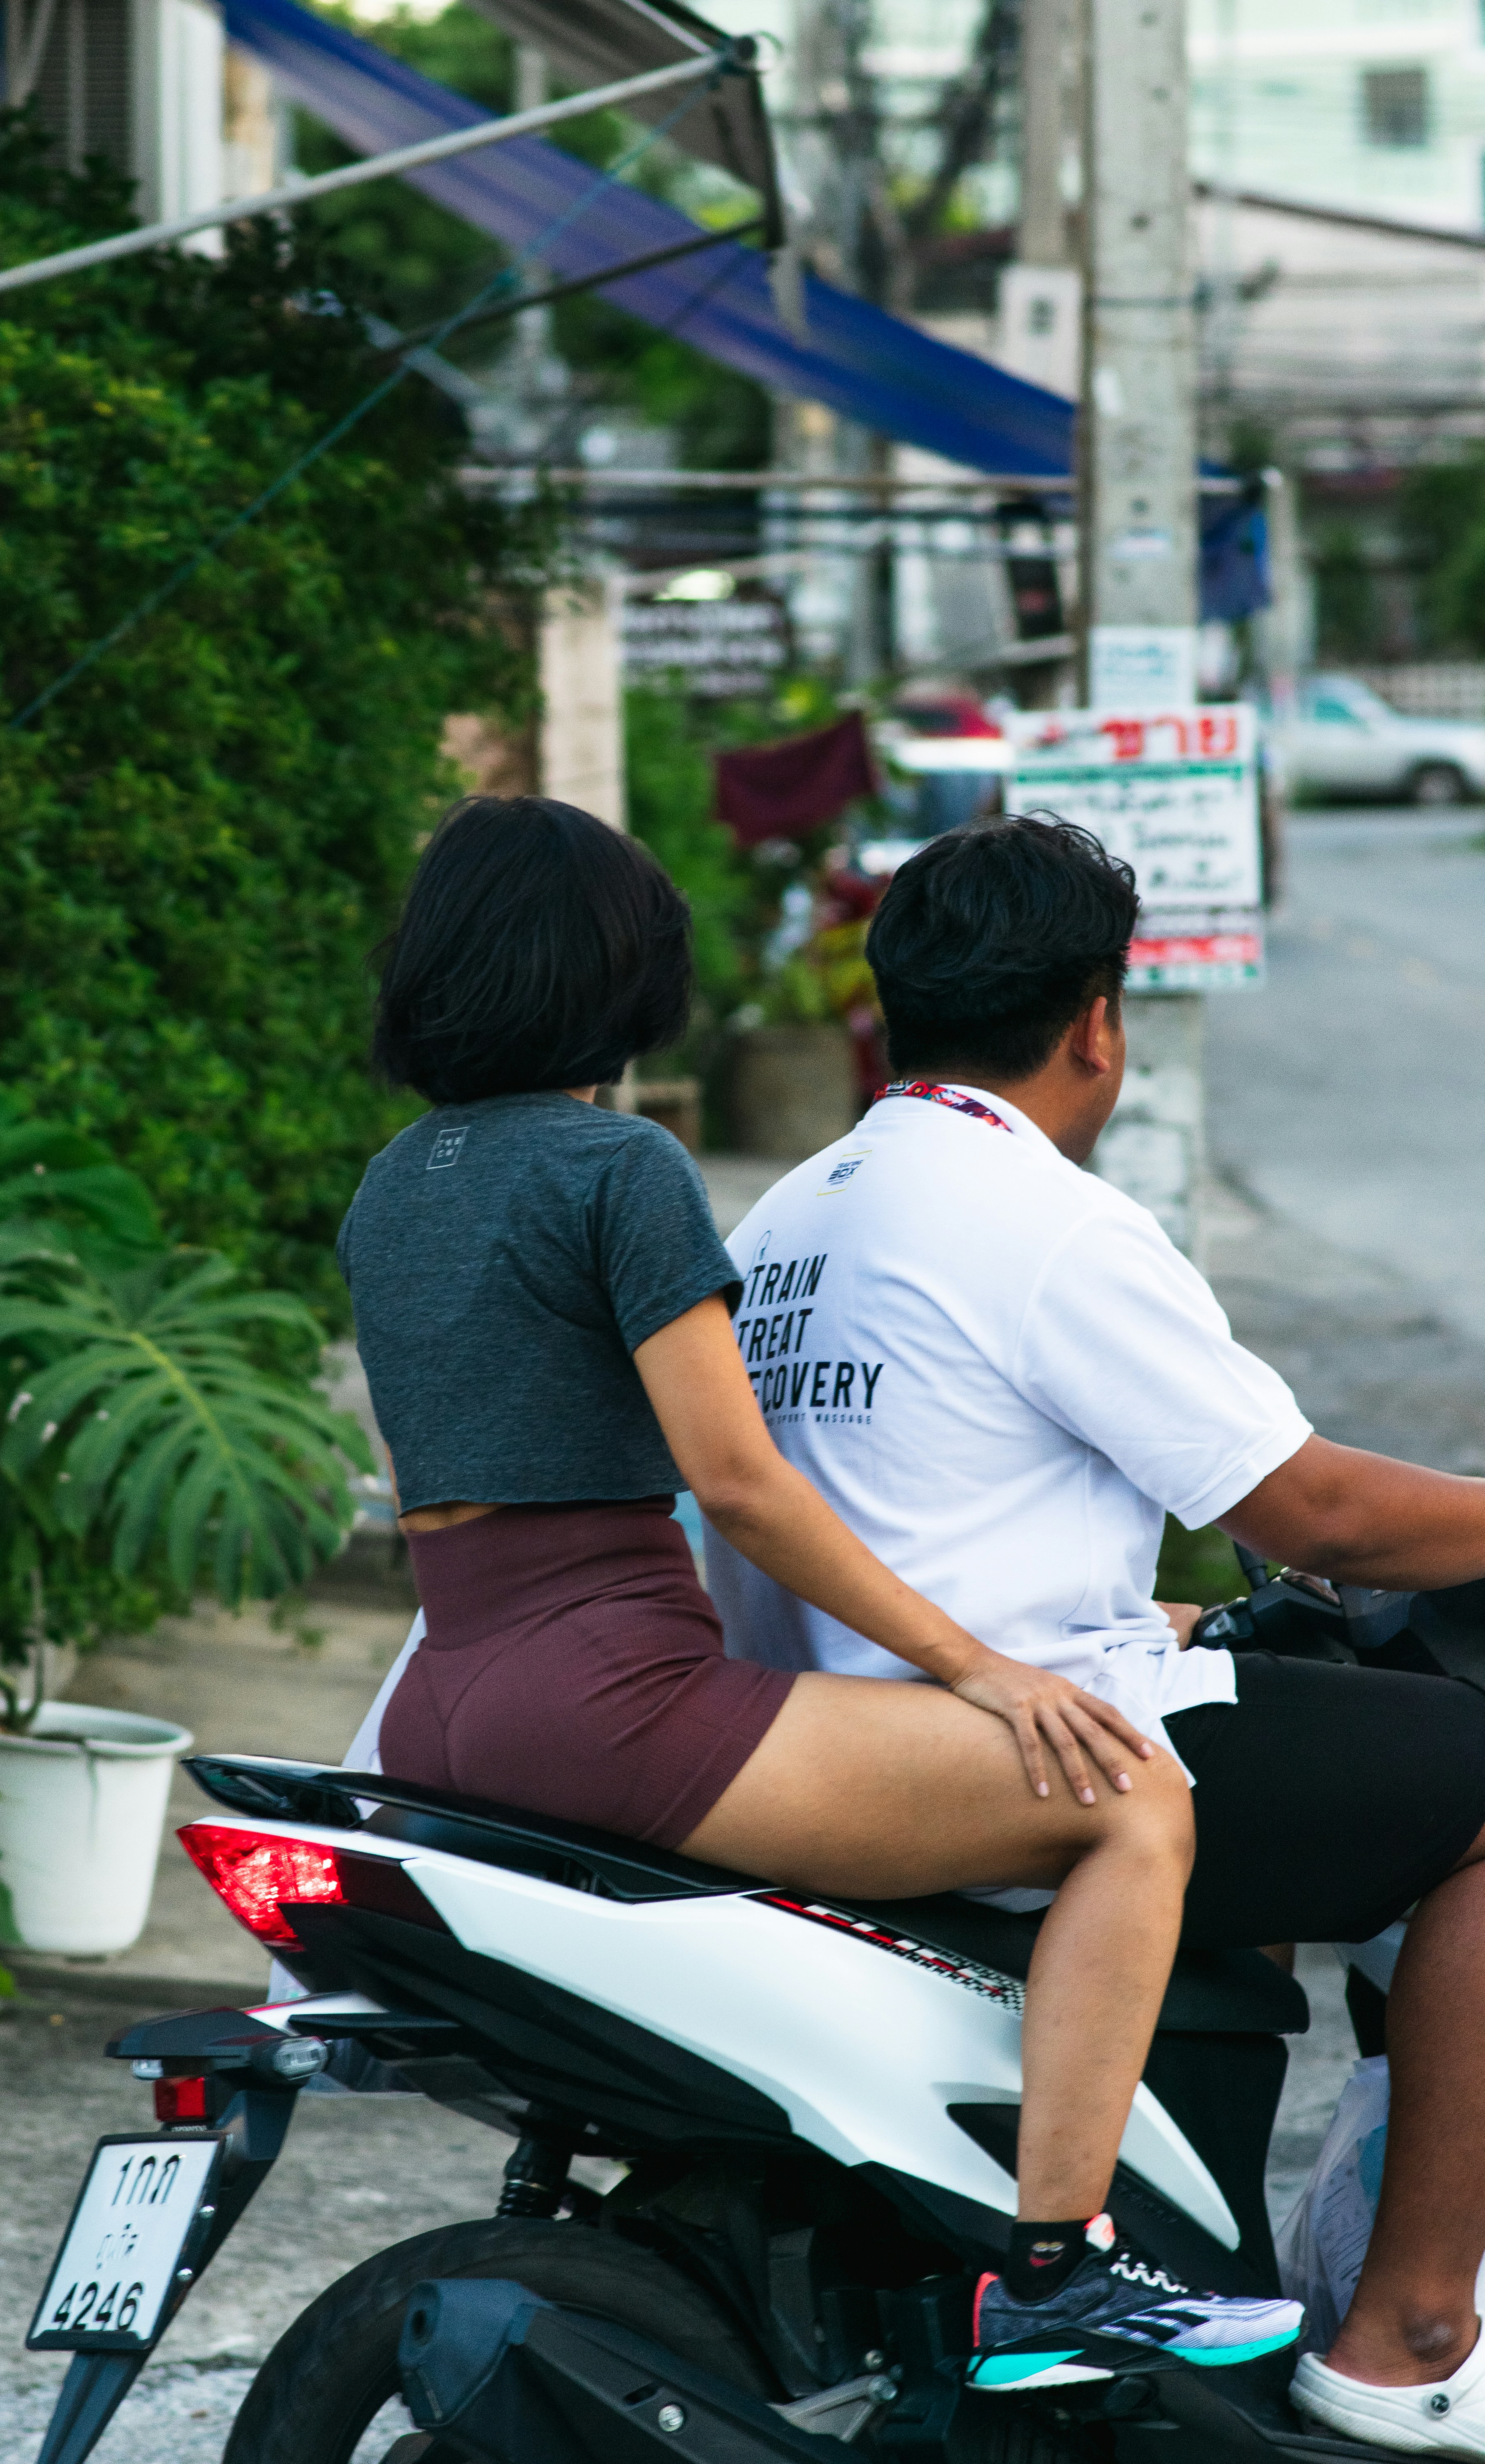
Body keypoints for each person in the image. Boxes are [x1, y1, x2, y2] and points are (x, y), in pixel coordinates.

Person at [337, 793, 1301, 2389]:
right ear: (620, 981)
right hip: (607, 1691)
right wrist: (981, 1665)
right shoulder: (619, 1166)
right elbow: (739, 1482)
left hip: (445, 1687)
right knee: (1129, 1796)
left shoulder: (393, 1186)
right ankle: (1058, 2271)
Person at [702, 813, 1485, 2453]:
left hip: (840, 1747)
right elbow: (1314, 1514)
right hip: (1038, 1758)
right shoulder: (1041, 1214)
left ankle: (1213, 2270)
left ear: (891, 1009)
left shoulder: (786, 1219)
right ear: (1097, 1022)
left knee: (1298, 1737)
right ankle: (1411, 2331)